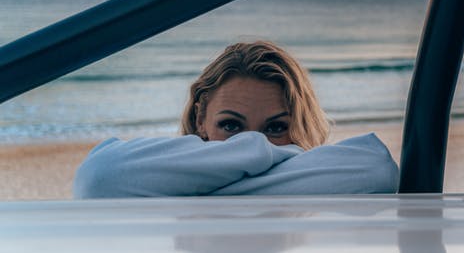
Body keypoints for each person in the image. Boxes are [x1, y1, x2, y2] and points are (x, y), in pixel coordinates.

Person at [74, 40, 399, 198]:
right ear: (201, 117)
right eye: (230, 126)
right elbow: (97, 176)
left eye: (276, 128)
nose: (252, 141)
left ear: (299, 125)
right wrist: (278, 155)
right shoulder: (309, 182)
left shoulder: (158, 182)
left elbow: (376, 168)